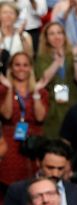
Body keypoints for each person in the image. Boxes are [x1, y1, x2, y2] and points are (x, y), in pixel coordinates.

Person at [0, 51, 47, 187]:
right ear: (11, 68)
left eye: (25, 65)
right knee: (10, 180)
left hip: (34, 140)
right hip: (11, 140)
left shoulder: (40, 90)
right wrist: (9, 89)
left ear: (31, 68)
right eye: (17, 65)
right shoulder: (3, 90)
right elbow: (7, 115)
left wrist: (36, 93)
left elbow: (40, 117)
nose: (21, 68)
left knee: (34, 182)